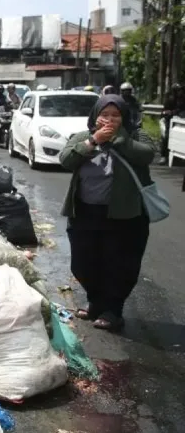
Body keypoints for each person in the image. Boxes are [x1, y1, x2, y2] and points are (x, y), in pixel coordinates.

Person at [59, 95, 155, 331]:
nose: (109, 120)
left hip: (125, 217)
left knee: (119, 265)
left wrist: (119, 139)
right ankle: (95, 302)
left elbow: (147, 154)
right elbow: (66, 159)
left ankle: (113, 311)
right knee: (82, 263)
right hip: (85, 213)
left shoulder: (135, 136)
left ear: (124, 118)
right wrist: (93, 141)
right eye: (105, 115)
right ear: (95, 117)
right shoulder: (83, 137)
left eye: (115, 115)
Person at [161, 83, 185, 164]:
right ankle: (163, 156)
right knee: (167, 136)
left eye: (180, 90)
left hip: (181, 120)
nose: (180, 92)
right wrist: (170, 112)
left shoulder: (183, 99)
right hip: (170, 120)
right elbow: (165, 111)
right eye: (178, 90)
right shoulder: (170, 99)